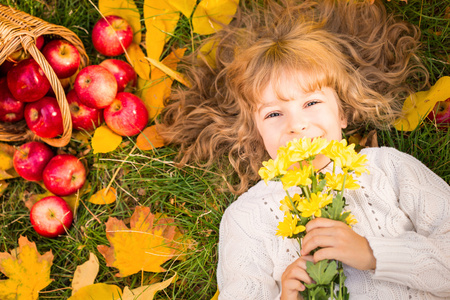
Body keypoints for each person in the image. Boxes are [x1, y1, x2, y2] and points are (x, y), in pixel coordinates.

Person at [160, 0, 450, 299]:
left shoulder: (389, 169)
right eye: (273, 114)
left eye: (311, 103)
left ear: (343, 113)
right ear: (256, 134)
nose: (296, 125)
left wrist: (373, 254)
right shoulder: (246, 219)